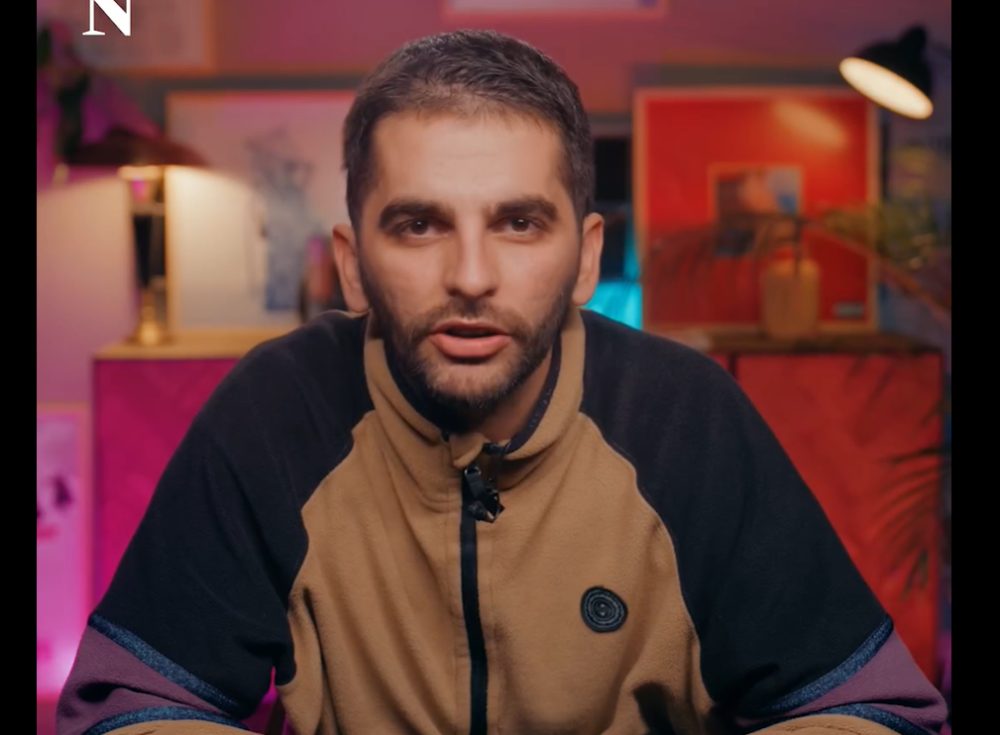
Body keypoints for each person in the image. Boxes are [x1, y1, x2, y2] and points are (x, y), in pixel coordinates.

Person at [57, 29, 947, 735]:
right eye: (419, 225)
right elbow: (127, 704)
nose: (472, 276)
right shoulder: (275, 410)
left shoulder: (689, 417)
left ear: (587, 257)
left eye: (519, 223)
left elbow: (872, 707)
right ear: (353, 266)